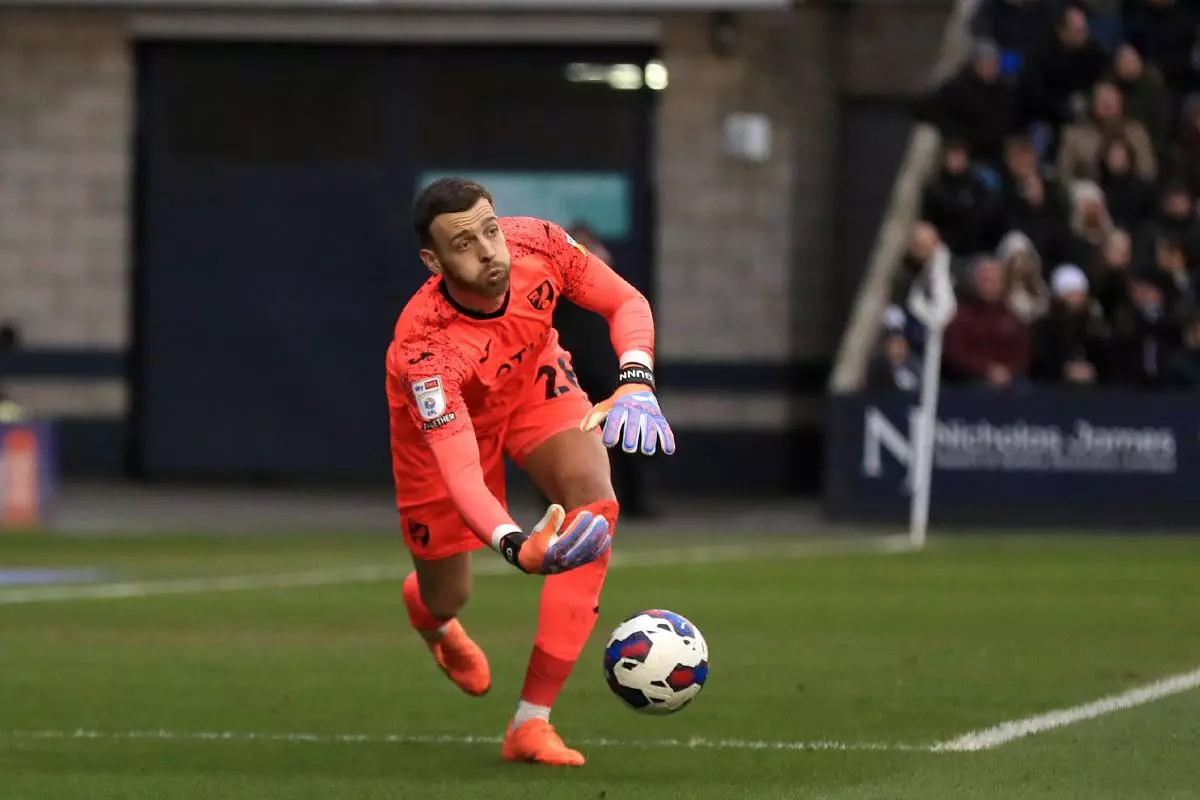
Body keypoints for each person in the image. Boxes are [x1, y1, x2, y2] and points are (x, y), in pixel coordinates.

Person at [385, 178, 675, 767]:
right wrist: (515, 544)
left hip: (531, 384)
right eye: (463, 244)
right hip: (446, 435)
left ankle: (531, 722)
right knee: (448, 594)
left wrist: (636, 379)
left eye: (490, 230)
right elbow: (463, 473)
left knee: (594, 504)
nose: (488, 252)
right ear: (433, 262)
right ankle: (432, 618)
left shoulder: (539, 243)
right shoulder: (425, 348)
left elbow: (626, 302)